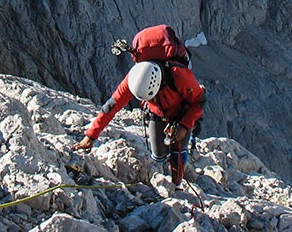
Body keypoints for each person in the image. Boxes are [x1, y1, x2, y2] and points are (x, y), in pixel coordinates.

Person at [72, 29, 205, 187]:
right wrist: (90, 136)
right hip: (156, 113)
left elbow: (199, 101)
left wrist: (184, 125)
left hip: (181, 114)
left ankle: (177, 184)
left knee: (178, 153)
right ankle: (168, 163)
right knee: (158, 155)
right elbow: (112, 105)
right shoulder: (134, 78)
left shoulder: (178, 74)